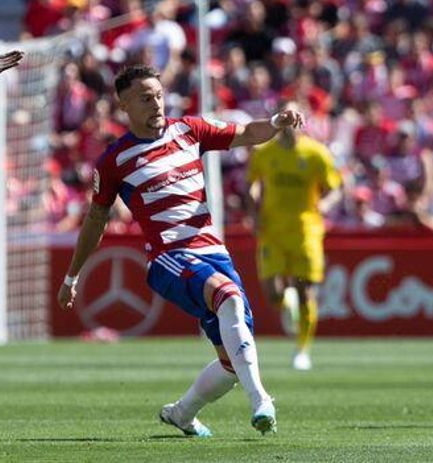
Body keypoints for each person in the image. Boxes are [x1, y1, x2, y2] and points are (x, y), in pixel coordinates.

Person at [57, 64, 304, 437]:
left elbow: (249, 133)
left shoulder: (189, 130)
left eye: (158, 95)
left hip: (213, 252)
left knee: (231, 362)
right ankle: (262, 401)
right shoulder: (114, 162)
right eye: (144, 98)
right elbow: (96, 220)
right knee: (229, 297)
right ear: (124, 105)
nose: (156, 103)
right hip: (167, 257)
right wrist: (72, 276)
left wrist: (277, 120)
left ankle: (182, 413)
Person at [247, 104, 342, 371]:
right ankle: (285, 301)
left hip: (306, 230)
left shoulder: (316, 154)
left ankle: (302, 350)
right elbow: (251, 183)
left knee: (305, 291)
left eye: (294, 120)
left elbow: (335, 189)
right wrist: (253, 209)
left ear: (301, 122)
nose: (289, 126)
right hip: (272, 230)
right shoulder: (265, 153)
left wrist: (324, 205)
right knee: (272, 293)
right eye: (284, 120)